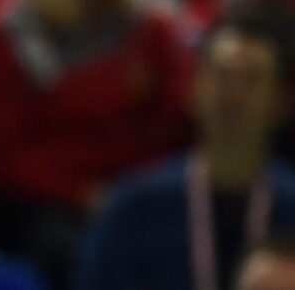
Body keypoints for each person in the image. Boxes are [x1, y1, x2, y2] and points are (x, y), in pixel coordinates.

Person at [0, 0, 192, 281]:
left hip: (141, 195)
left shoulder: (154, 31)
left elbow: (172, 134)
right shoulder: (10, 34)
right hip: (44, 206)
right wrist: (80, 193)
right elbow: (0, 154)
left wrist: (125, 195)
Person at [76, 21, 295, 290]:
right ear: (192, 90)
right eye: (221, 76)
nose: (234, 94)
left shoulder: (290, 205)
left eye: (252, 78)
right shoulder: (134, 210)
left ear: (282, 101)